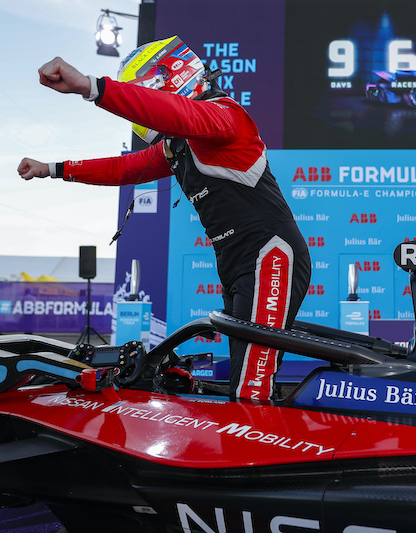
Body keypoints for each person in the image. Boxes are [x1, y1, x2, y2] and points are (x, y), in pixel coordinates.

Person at [17, 36, 311, 402]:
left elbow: (178, 114)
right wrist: (53, 169)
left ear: (169, 81)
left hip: (270, 257)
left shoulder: (225, 116)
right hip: (237, 263)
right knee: (243, 381)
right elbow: (125, 168)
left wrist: (91, 88)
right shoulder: (178, 144)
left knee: (251, 389)